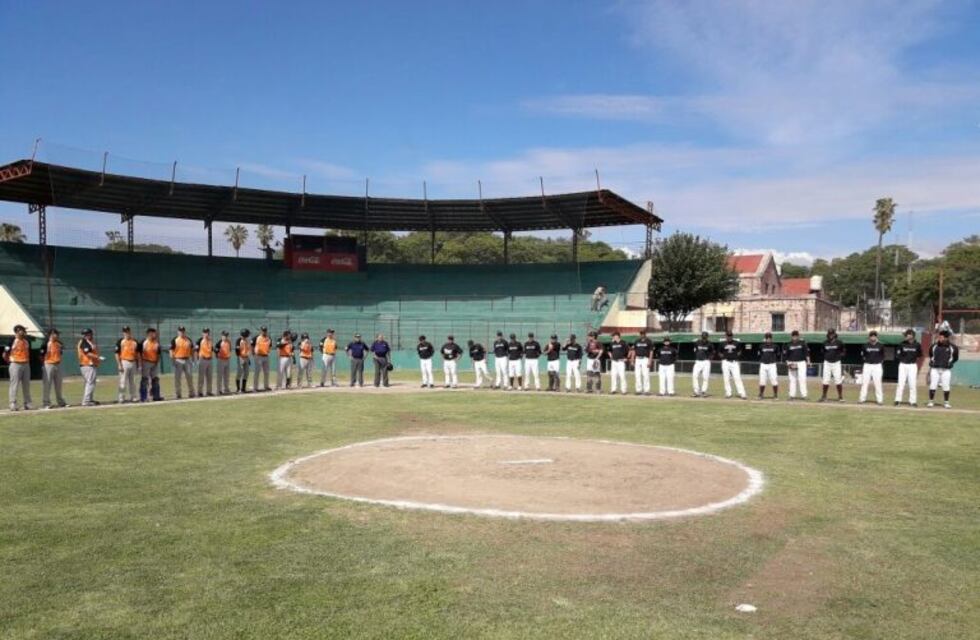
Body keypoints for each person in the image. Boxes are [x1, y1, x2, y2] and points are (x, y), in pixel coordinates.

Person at [927, 329, 959, 408]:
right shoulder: (934, 346)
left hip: (946, 370)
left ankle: (946, 403)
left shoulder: (953, 347)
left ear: (946, 338)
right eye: (939, 337)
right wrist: (933, 362)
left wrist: (950, 363)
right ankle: (931, 402)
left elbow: (955, 358)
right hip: (935, 369)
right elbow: (931, 355)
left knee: (946, 385)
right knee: (933, 385)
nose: (939, 338)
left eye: (941, 337)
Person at [4, 324, 33, 411]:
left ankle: (27, 403)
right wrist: (11, 362)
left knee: (26, 385)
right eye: (22, 330)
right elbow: (5, 354)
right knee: (14, 384)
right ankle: (12, 403)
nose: (24, 332)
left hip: (26, 364)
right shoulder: (12, 341)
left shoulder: (26, 341)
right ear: (17, 331)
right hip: (15, 364)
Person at [40, 327, 68, 409]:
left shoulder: (59, 343)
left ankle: (61, 402)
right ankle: (46, 403)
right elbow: (41, 355)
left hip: (58, 364)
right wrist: (44, 364)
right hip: (48, 364)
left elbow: (61, 352)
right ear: (51, 334)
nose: (57, 335)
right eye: (55, 334)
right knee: (47, 384)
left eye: (57, 334)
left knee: (58, 385)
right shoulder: (46, 343)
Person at [894, 329, 922, 407]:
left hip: (912, 366)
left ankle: (913, 401)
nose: (906, 336)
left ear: (912, 335)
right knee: (901, 383)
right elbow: (898, 355)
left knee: (912, 384)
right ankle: (897, 400)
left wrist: (912, 359)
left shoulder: (917, 345)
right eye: (906, 335)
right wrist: (903, 360)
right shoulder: (901, 344)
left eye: (907, 335)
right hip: (903, 365)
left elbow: (919, 355)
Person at [114, 325, 140, 403]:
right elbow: (116, 353)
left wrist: (139, 364)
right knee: (123, 381)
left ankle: (133, 397)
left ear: (130, 332)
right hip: (124, 362)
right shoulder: (120, 341)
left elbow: (138, 354)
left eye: (128, 331)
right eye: (125, 332)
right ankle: (121, 397)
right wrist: (119, 364)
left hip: (133, 362)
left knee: (133, 381)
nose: (126, 333)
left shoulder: (134, 342)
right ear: (123, 333)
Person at [719, 330, 747, 400]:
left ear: (732, 336)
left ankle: (742, 393)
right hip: (725, 362)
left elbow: (740, 351)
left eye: (730, 335)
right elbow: (719, 352)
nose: (729, 337)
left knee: (737, 377)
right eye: (728, 335)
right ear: (726, 336)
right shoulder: (722, 343)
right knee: (726, 378)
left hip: (734, 362)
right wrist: (722, 356)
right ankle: (728, 393)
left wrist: (736, 356)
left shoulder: (736, 343)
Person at [859, 330, 885, 405]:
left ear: (876, 337)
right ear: (869, 337)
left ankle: (880, 400)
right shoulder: (865, 345)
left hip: (877, 366)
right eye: (871, 336)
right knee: (865, 382)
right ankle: (862, 399)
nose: (873, 337)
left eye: (874, 336)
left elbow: (883, 356)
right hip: (867, 365)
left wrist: (879, 361)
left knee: (878, 383)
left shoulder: (880, 345)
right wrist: (866, 360)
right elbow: (862, 355)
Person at [77, 327, 102, 406]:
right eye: (86, 334)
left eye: (89, 334)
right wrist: (98, 357)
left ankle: (90, 399)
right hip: (87, 364)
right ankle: (86, 400)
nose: (88, 336)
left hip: (90, 364)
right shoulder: (84, 342)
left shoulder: (90, 342)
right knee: (90, 382)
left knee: (91, 382)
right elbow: (87, 353)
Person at [819, 328, 845, 403]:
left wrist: (840, 355)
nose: (831, 335)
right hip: (827, 362)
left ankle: (840, 396)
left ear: (834, 334)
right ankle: (824, 396)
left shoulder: (839, 342)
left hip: (836, 363)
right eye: (830, 334)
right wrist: (826, 356)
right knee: (825, 380)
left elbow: (843, 351)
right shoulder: (825, 343)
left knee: (838, 379)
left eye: (832, 334)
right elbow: (822, 351)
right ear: (828, 334)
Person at [170, 326, 196, 399]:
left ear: (185, 332)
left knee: (189, 377)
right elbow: (171, 350)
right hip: (178, 360)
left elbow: (192, 350)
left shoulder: (188, 340)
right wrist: (173, 360)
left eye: (183, 331)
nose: (182, 332)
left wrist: (193, 360)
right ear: (178, 332)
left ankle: (191, 393)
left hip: (187, 360)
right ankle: (178, 394)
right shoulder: (175, 340)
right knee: (177, 378)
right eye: (180, 331)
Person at [784, 330, 810, 400]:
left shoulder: (802, 343)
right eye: (793, 336)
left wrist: (808, 361)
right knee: (792, 379)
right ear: (791, 336)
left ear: (798, 336)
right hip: (792, 362)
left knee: (802, 379)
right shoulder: (788, 344)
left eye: (796, 336)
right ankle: (792, 395)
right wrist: (788, 363)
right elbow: (786, 355)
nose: (795, 337)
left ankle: (804, 395)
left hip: (801, 362)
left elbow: (806, 353)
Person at [139, 327, 163, 402]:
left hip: (154, 363)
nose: (153, 335)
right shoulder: (144, 342)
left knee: (155, 379)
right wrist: (140, 363)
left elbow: (158, 353)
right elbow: (139, 353)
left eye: (154, 333)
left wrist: (157, 362)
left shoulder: (156, 343)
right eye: (152, 333)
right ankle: (143, 397)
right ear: (148, 334)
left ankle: (156, 396)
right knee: (144, 379)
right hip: (146, 362)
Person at [757, 332, 780, 400]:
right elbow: (759, 354)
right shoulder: (761, 346)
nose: (768, 339)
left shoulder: (775, 346)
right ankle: (761, 394)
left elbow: (778, 354)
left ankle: (775, 395)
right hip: (763, 364)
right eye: (767, 338)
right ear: (765, 339)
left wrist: (773, 360)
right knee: (762, 381)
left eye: (769, 338)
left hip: (772, 365)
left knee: (774, 380)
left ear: (771, 339)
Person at [631, 329, 654, 396]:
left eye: (643, 334)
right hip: (638, 359)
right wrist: (632, 360)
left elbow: (651, 352)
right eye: (641, 334)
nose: (642, 335)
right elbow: (634, 351)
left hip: (645, 359)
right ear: (640, 334)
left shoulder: (649, 341)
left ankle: (646, 390)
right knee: (637, 375)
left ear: (645, 334)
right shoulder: (636, 341)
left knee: (645, 375)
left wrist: (650, 361)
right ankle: (638, 390)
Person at [691, 331, 714, 398]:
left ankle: (703, 391)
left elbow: (712, 352)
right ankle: (696, 392)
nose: (704, 338)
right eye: (703, 337)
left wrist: (709, 358)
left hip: (706, 362)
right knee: (695, 376)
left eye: (705, 337)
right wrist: (697, 355)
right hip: (698, 361)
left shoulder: (710, 344)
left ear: (707, 337)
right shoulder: (697, 342)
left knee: (705, 377)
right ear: (701, 337)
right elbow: (695, 350)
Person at [195, 327, 215, 397]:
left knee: (209, 377)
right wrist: (197, 360)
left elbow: (212, 349)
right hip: (202, 359)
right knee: (201, 377)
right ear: (202, 333)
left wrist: (212, 356)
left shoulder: (210, 340)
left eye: (207, 332)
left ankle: (209, 391)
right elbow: (196, 351)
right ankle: (199, 392)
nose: (206, 334)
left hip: (209, 359)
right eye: (205, 332)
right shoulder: (199, 340)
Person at [252, 326, 272, 392]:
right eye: (263, 330)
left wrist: (268, 352)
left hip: (266, 356)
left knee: (266, 372)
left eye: (265, 330)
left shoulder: (268, 338)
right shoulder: (256, 337)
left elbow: (270, 346)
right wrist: (253, 354)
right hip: (258, 356)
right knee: (257, 372)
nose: (264, 331)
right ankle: (255, 388)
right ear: (260, 331)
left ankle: (266, 386)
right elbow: (252, 345)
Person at [216, 330, 233, 394]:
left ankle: (226, 389)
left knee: (226, 376)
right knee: (220, 376)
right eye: (225, 335)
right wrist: (218, 356)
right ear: (222, 336)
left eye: (227, 335)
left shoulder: (229, 342)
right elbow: (215, 350)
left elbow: (230, 349)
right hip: (221, 360)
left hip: (227, 360)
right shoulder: (219, 342)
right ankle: (219, 390)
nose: (226, 337)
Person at [235, 329, 252, 393]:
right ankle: (238, 389)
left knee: (246, 373)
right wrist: (240, 358)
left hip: (246, 358)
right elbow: (237, 350)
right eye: (247, 335)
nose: (247, 336)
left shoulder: (247, 341)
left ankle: (243, 388)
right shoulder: (239, 340)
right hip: (241, 358)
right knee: (239, 373)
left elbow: (248, 349)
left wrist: (248, 359)